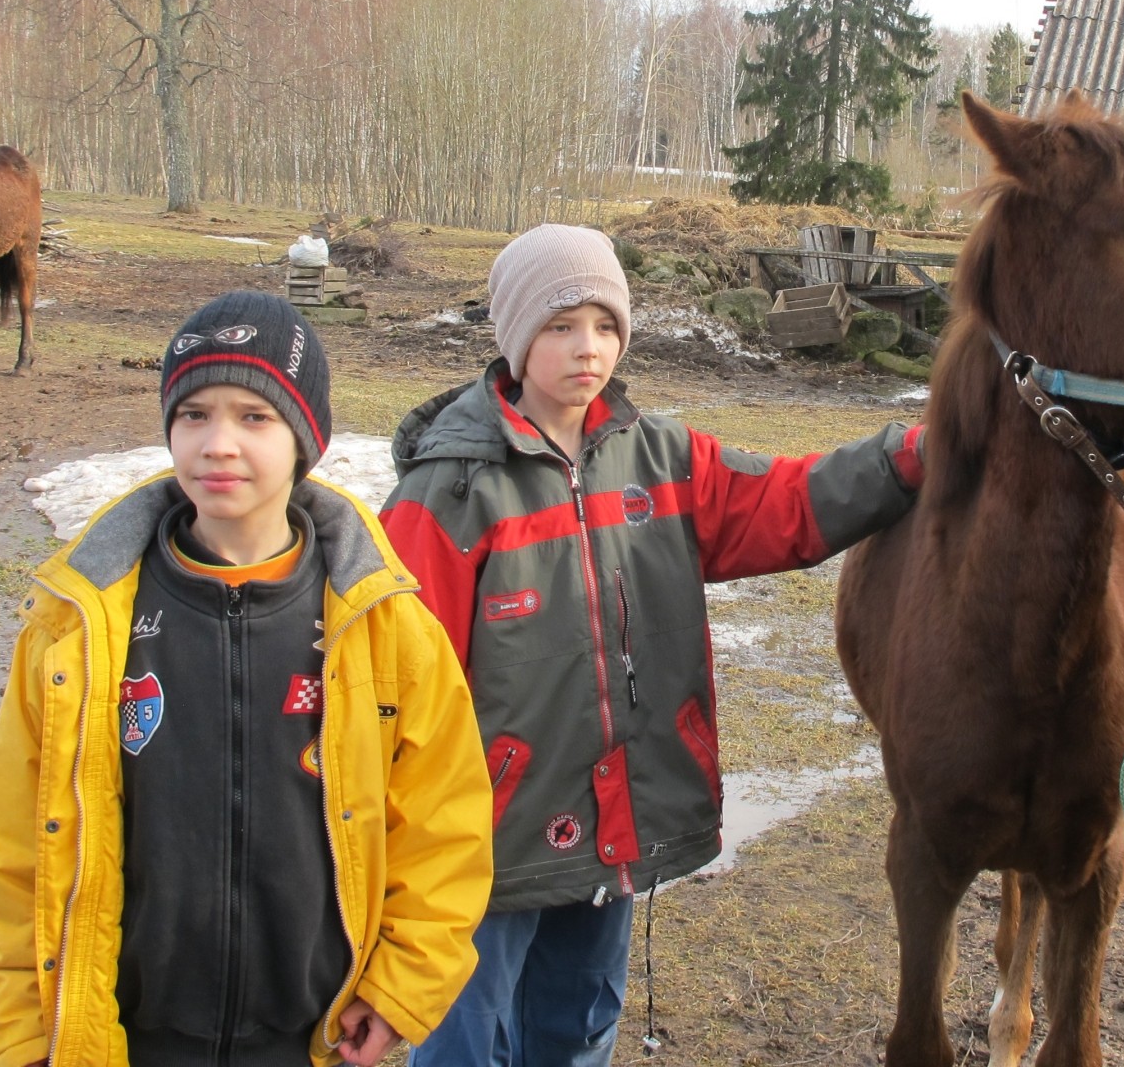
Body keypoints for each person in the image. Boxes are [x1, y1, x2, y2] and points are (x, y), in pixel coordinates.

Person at [381, 224, 927, 1067]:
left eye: (604, 326)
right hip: (486, 844)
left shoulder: (660, 460)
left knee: (578, 1027)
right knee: (464, 1043)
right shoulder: (448, 494)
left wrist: (910, 457)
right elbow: (399, 687)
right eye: (560, 327)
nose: (586, 349)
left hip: (614, 820)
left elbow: (785, 502)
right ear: (517, 337)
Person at [0, 291, 495, 1067]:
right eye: (194, 415)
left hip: (309, 1037)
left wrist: (402, 987)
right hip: (132, 1035)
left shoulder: (383, 626)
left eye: (254, 417)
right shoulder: (79, 626)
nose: (218, 444)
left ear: (304, 439)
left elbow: (443, 824)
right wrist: (23, 1032)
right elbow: (18, 842)